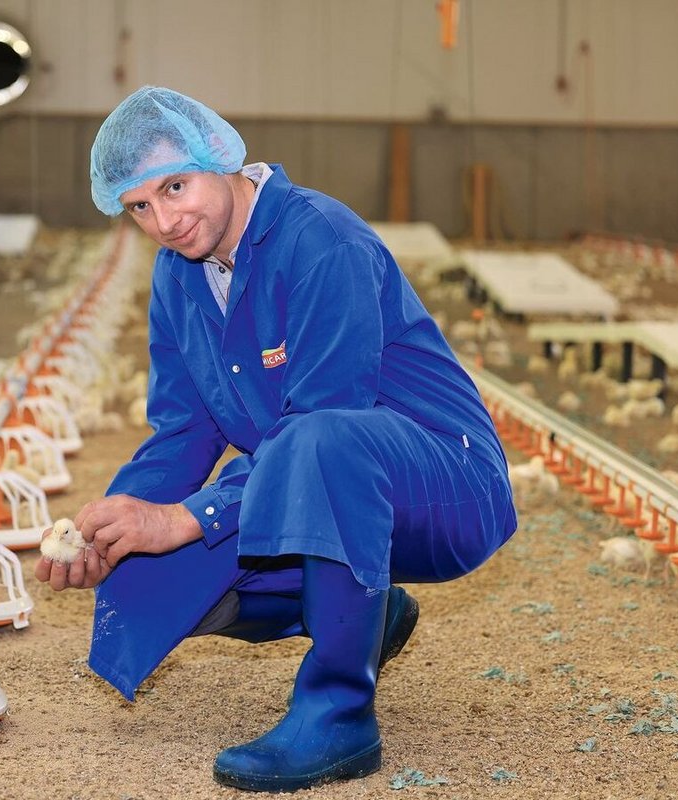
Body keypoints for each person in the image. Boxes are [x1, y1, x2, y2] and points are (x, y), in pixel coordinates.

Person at [34, 86, 517, 793]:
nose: (164, 221)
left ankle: (339, 715)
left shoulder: (320, 241)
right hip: (323, 483)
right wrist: (110, 526)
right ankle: (365, 611)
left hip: (446, 484)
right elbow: (183, 430)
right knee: (142, 567)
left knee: (316, 444)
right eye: (138, 207)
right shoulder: (179, 276)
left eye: (174, 187)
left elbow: (325, 417)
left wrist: (186, 517)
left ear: (221, 158)